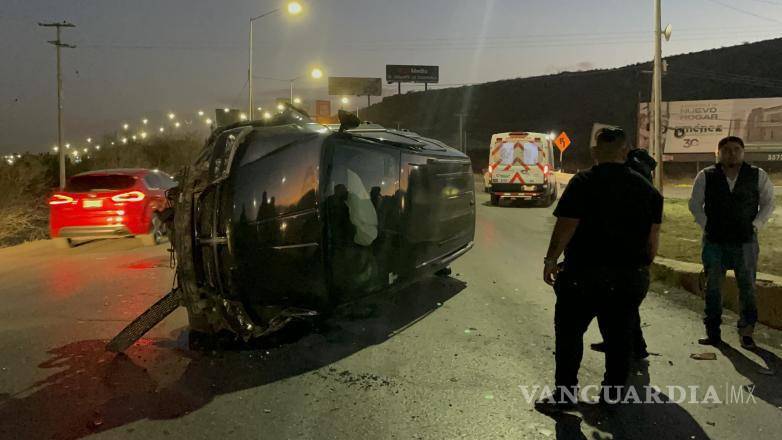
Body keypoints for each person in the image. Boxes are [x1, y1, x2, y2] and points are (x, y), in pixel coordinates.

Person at [537, 127, 663, 412]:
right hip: (628, 276)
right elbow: (652, 241)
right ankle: (612, 397)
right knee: (619, 338)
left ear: (595, 152)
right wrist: (641, 270)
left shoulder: (583, 182)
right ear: (625, 152)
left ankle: (565, 396)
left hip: (583, 274)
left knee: (569, 336)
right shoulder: (647, 189)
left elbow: (566, 225)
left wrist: (550, 260)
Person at [688, 136, 775, 349]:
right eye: (726, 150)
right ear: (718, 153)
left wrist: (755, 225)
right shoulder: (706, 176)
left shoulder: (757, 175)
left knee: (747, 288)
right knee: (713, 288)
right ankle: (713, 332)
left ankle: (746, 332)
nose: (731, 153)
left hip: (745, 242)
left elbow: (768, 204)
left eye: (736, 149)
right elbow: (695, 205)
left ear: (743, 152)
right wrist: (707, 225)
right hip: (714, 242)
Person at [590, 146, 657, 358]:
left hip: (620, 249)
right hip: (632, 250)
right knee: (625, 306)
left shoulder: (629, 174)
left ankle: (626, 347)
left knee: (614, 304)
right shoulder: (641, 172)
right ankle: (633, 346)